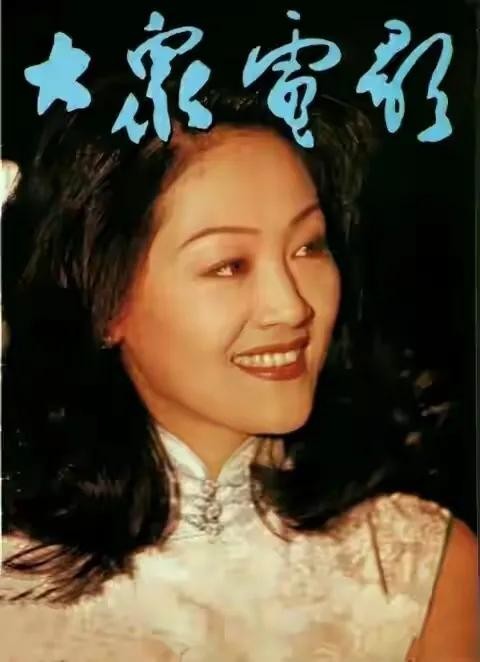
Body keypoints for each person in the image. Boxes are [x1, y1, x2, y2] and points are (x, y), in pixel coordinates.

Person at [0, 79, 477, 661]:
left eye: (308, 246)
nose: (291, 306)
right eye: (229, 265)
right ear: (104, 304)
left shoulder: (414, 568)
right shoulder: (14, 585)